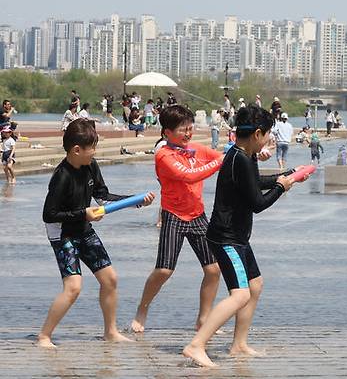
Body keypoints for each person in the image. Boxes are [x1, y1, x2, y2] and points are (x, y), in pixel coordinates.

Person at [182, 105, 301, 368]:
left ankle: (239, 345)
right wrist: (281, 187)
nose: (269, 140)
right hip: (226, 238)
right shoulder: (240, 158)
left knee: (254, 285)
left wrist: (283, 177)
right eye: (268, 135)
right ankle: (196, 345)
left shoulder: (243, 156)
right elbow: (257, 203)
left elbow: (254, 184)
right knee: (240, 294)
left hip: (237, 237)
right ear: (257, 134)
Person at [38, 118, 155, 347]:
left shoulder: (91, 165)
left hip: (83, 229)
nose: (95, 152)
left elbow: (103, 197)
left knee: (110, 279)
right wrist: (84, 214)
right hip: (62, 234)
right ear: (77, 149)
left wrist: (137, 201)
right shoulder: (61, 177)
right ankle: (44, 336)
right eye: (92, 147)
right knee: (73, 288)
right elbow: (49, 215)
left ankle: (110, 332)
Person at [131, 105, 224, 333]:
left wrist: (252, 154)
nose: (188, 134)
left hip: (198, 215)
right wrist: (220, 160)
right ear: (167, 132)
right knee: (164, 271)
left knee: (213, 269)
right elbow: (189, 176)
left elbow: (226, 158)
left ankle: (203, 319)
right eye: (183, 130)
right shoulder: (164, 155)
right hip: (174, 215)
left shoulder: (195, 149)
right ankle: (142, 309)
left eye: (190, 129)